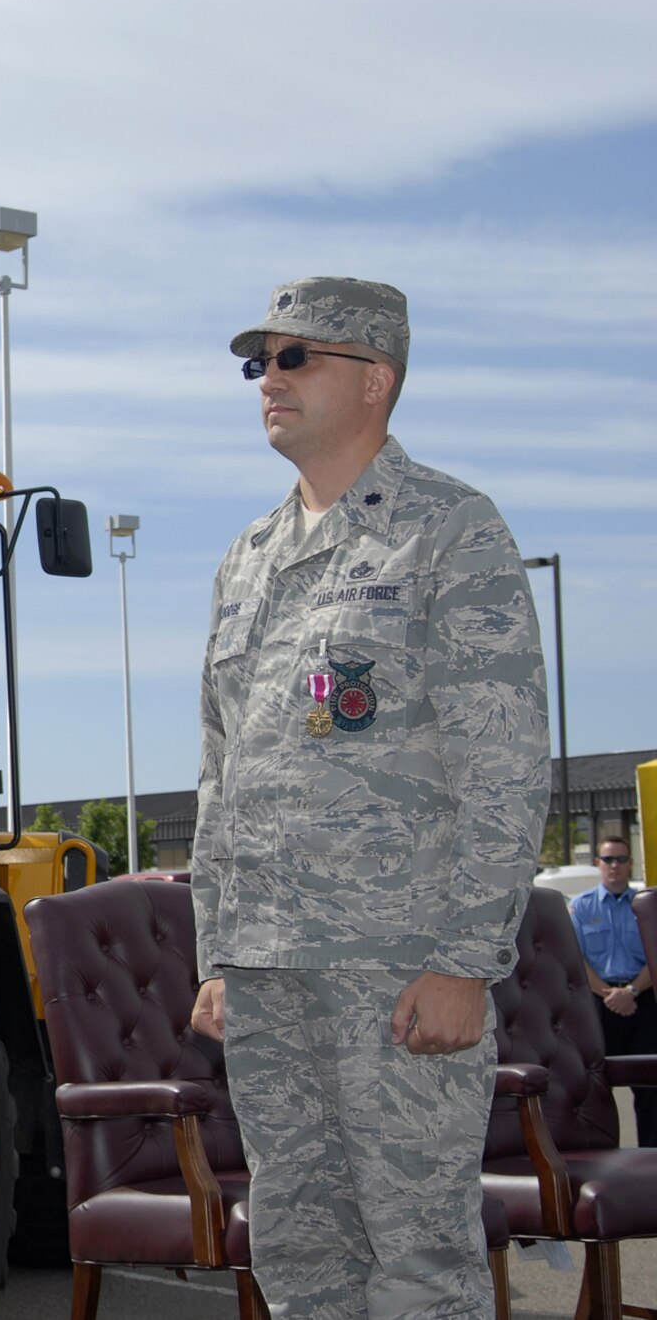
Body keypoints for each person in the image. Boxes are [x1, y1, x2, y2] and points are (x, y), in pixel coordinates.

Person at [188, 277, 549, 1319]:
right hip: (264, 969)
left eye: (295, 357)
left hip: (393, 967)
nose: (268, 379)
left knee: (416, 1261)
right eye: (259, 361)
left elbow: (501, 762)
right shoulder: (245, 560)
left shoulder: (447, 532)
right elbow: (223, 770)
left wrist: (461, 962)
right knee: (298, 1260)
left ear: (374, 378)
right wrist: (216, 954)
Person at [570, 834, 656, 1145]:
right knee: (597, 1084)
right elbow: (576, 960)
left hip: (642, 1001)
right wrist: (610, 994)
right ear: (597, 864)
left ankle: (650, 1157)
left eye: (621, 859)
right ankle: (604, 1154)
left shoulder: (645, 906)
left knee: (649, 1084)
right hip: (598, 1004)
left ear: (630, 862)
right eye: (608, 859)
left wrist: (631, 991)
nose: (614, 866)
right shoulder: (580, 907)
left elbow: (655, 956)